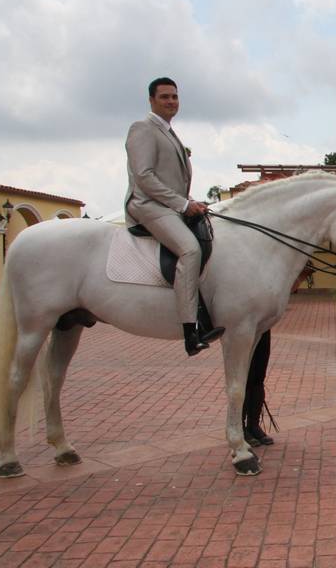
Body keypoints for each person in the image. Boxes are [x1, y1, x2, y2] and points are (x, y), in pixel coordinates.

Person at [124, 77, 224, 356]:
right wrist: (181, 204)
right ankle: (191, 331)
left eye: (174, 97)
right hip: (146, 205)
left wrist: (189, 201)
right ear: (151, 100)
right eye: (165, 97)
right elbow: (143, 176)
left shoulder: (169, 131)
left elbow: (172, 180)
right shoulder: (143, 128)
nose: (171, 102)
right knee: (190, 250)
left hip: (167, 205)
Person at [243, 331, 275, 446]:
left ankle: (253, 425)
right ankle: (239, 428)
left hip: (262, 326)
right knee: (245, 378)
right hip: (243, 327)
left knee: (259, 377)